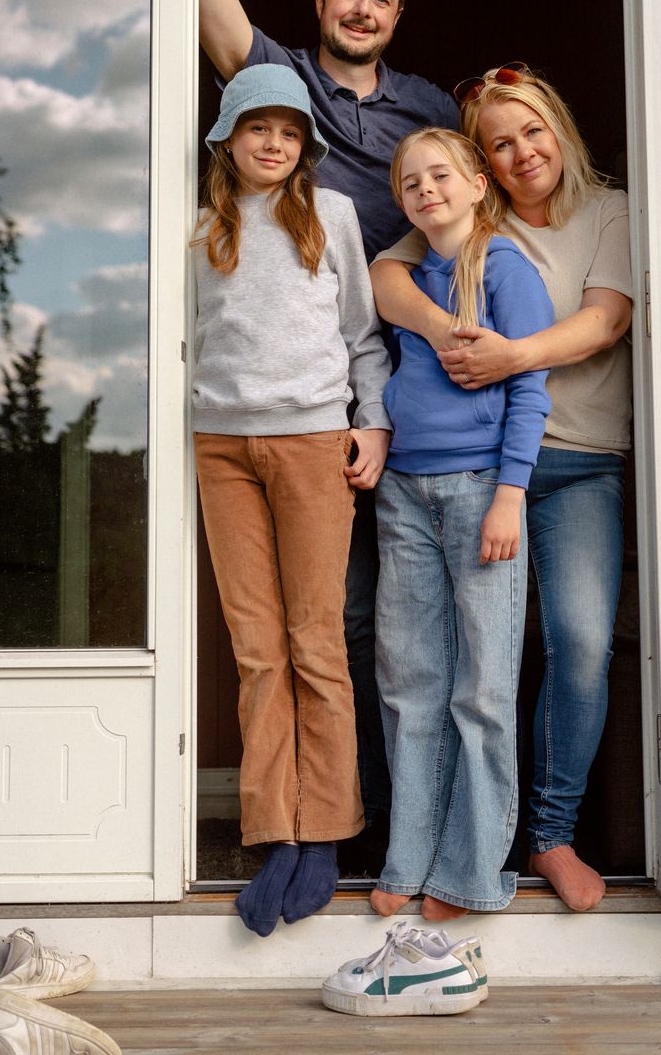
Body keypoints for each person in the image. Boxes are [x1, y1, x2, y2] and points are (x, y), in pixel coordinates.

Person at [199, 0, 460, 842]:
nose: (362, 9)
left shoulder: (431, 113)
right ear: (319, 0)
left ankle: (413, 824)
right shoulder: (277, 83)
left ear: (399, 14)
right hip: (308, 404)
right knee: (330, 622)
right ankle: (327, 830)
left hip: (426, 386)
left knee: (417, 626)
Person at [370, 66, 634, 912]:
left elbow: (607, 321)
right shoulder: (459, 223)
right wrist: (452, 334)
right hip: (468, 468)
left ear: (559, 128)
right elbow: (384, 279)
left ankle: (548, 835)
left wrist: (507, 356)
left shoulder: (610, 213)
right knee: (442, 666)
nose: (523, 153)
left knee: (579, 643)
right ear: (483, 166)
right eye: (500, 142)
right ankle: (435, 851)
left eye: (533, 132)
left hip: (575, 457)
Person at [191, 64, 393, 937]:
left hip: (314, 440)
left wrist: (372, 423)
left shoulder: (332, 218)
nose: (271, 143)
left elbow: (362, 337)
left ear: (304, 144)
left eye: (286, 130)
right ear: (227, 140)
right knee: (256, 646)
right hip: (220, 446)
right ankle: (277, 829)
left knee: (316, 637)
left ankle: (327, 832)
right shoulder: (199, 230)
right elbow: (184, 341)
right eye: (255, 128)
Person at [367, 127, 552, 925]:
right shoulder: (409, 276)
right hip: (404, 492)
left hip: (480, 491)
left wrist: (511, 494)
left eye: (441, 175)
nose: (426, 190)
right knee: (410, 680)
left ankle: (470, 873)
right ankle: (408, 857)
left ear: (480, 185)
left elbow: (530, 389)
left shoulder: (504, 268)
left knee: (481, 688)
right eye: (411, 183)